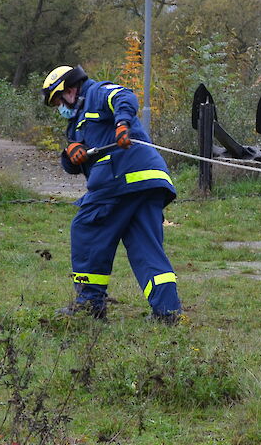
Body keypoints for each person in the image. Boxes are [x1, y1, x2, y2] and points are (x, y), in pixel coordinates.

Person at [41, 64, 182, 323]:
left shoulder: (98, 92)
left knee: (87, 228)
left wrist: (122, 123)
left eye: (59, 99)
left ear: (70, 89)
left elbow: (124, 97)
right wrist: (71, 156)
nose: (60, 106)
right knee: (145, 246)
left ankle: (89, 303)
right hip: (149, 182)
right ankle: (167, 312)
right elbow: (74, 163)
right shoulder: (75, 125)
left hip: (121, 178)